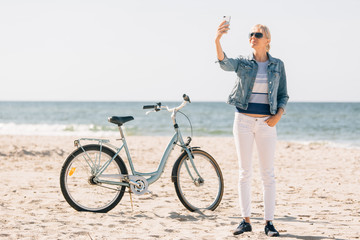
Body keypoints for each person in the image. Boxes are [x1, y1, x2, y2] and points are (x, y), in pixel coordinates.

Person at [215, 20, 289, 237]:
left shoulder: (278, 65)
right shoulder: (243, 63)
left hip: (267, 123)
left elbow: (284, 94)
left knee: (268, 174)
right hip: (243, 122)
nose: (253, 37)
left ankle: (269, 223)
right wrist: (217, 40)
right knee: (244, 172)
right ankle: (245, 220)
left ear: (267, 40)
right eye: (251, 34)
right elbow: (224, 63)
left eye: (258, 34)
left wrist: (278, 115)